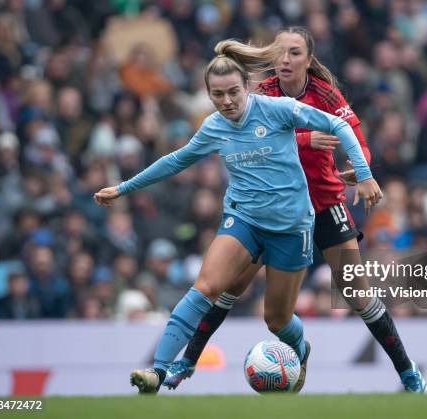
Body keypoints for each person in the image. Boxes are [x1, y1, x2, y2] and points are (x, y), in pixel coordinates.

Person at [94, 38, 381, 394]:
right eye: (218, 95)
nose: (227, 101)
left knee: (277, 320)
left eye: (232, 92)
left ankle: (300, 347)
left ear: (246, 87)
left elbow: (338, 127)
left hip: (292, 227)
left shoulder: (278, 109)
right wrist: (122, 188)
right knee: (205, 287)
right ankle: (158, 370)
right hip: (244, 221)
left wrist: (365, 175)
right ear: (209, 95)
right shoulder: (214, 127)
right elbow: (174, 161)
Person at [164, 27, 427, 394]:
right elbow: (252, 137)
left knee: (356, 291)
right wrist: (305, 137)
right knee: (231, 284)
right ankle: (187, 362)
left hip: (323, 203)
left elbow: (357, 138)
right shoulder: (261, 94)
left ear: (308, 59)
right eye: (280, 53)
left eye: (294, 53)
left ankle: (408, 373)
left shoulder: (325, 94)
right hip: (274, 210)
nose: (285, 60)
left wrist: (360, 168)